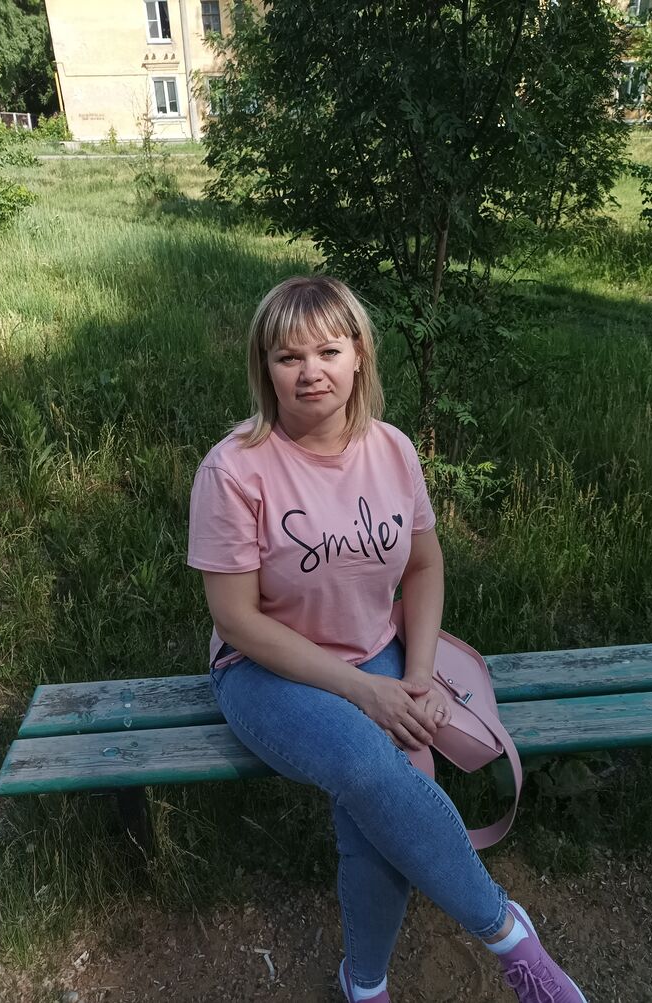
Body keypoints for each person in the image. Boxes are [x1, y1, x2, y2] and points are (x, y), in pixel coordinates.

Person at [188, 275, 588, 1003]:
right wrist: (366, 690)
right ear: (264, 367)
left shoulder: (394, 449)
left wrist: (418, 675)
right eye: (288, 356)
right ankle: (512, 939)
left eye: (328, 351)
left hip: (378, 652)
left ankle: (364, 982)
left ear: (360, 356)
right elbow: (238, 619)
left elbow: (426, 565)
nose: (310, 372)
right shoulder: (234, 468)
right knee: (368, 768)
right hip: (263, 668)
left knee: (384, 818)